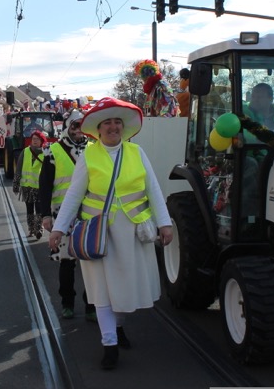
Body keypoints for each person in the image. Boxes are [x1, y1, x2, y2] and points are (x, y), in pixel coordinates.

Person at [48, 97, 173, 370]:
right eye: (107, 123)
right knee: (102, 291)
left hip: (132, 232)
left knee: (124, 289)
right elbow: (74, 195)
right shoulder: (89, 155)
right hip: (97, 233)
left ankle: (117, 327)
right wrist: (59, 228)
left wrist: (165, 223)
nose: (113, 127)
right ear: (98, 128)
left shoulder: (137, 152)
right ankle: (109, 344)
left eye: (117, 122)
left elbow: (153, 189)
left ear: (123, 127)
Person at [39, 109, 96, 321]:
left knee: (91, 261)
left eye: (82, 126)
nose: (79, 130)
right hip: (62, 215)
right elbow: (44, 186)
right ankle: (67, 303)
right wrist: (45, 215)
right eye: (75, 125)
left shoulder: (94, 150)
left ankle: (91, 304)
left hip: (89, 214)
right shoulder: (53, 151)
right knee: (67, 261)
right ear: (67, 127)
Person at [14, 130, 46, 240]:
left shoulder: (46, 153)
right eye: (33, 139)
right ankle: (31, 229)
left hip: (40, 187)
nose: (35, 141)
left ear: (42, 141)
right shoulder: (25, 151)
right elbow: (19, 168)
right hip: (27, 187)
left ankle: (39, 229)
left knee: (39, 209)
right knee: (29, 209)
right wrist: (16, 183)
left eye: (37, 139)